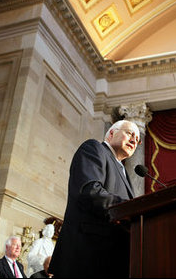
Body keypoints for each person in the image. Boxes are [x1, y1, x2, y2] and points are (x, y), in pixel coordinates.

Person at [48, 119, 141, 278]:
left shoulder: (123, 171)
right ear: (111, 134)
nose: (134, 140)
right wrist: (130, 208)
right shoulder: (94, 148)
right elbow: (90, 192)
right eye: (129, 133)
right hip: (87, 256)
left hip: (113, 259)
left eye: (137, 139)